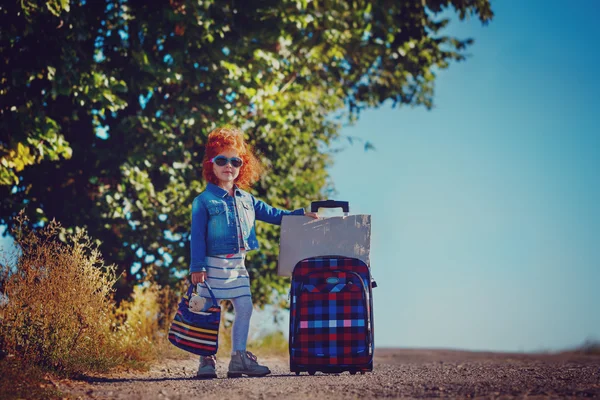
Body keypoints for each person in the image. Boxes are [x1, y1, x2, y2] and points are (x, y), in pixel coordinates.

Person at [189, 126, 319, 379]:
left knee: (245, 307)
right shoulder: (203, 201)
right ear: (211, 165)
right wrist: (197, 267)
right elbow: (197, 236)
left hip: (238, 266)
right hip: (211, 266)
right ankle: (206, 361)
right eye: (222, 160)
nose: (229, 166)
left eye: (235, 161)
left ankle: (238, 358)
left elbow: (274, 214)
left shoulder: (247, 199)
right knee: (207, 313)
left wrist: (299, 215)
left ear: (242, 166)